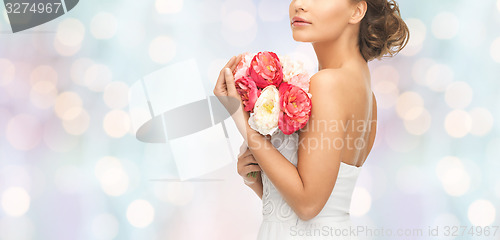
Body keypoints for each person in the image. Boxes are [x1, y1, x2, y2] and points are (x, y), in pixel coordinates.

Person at [213, 0, 409, 239]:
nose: (299, 5)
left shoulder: (328, 84)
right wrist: (257, 178)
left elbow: (307, 205)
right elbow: (318, 203)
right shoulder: (366, 93)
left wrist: (240, 118)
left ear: (357, 11)